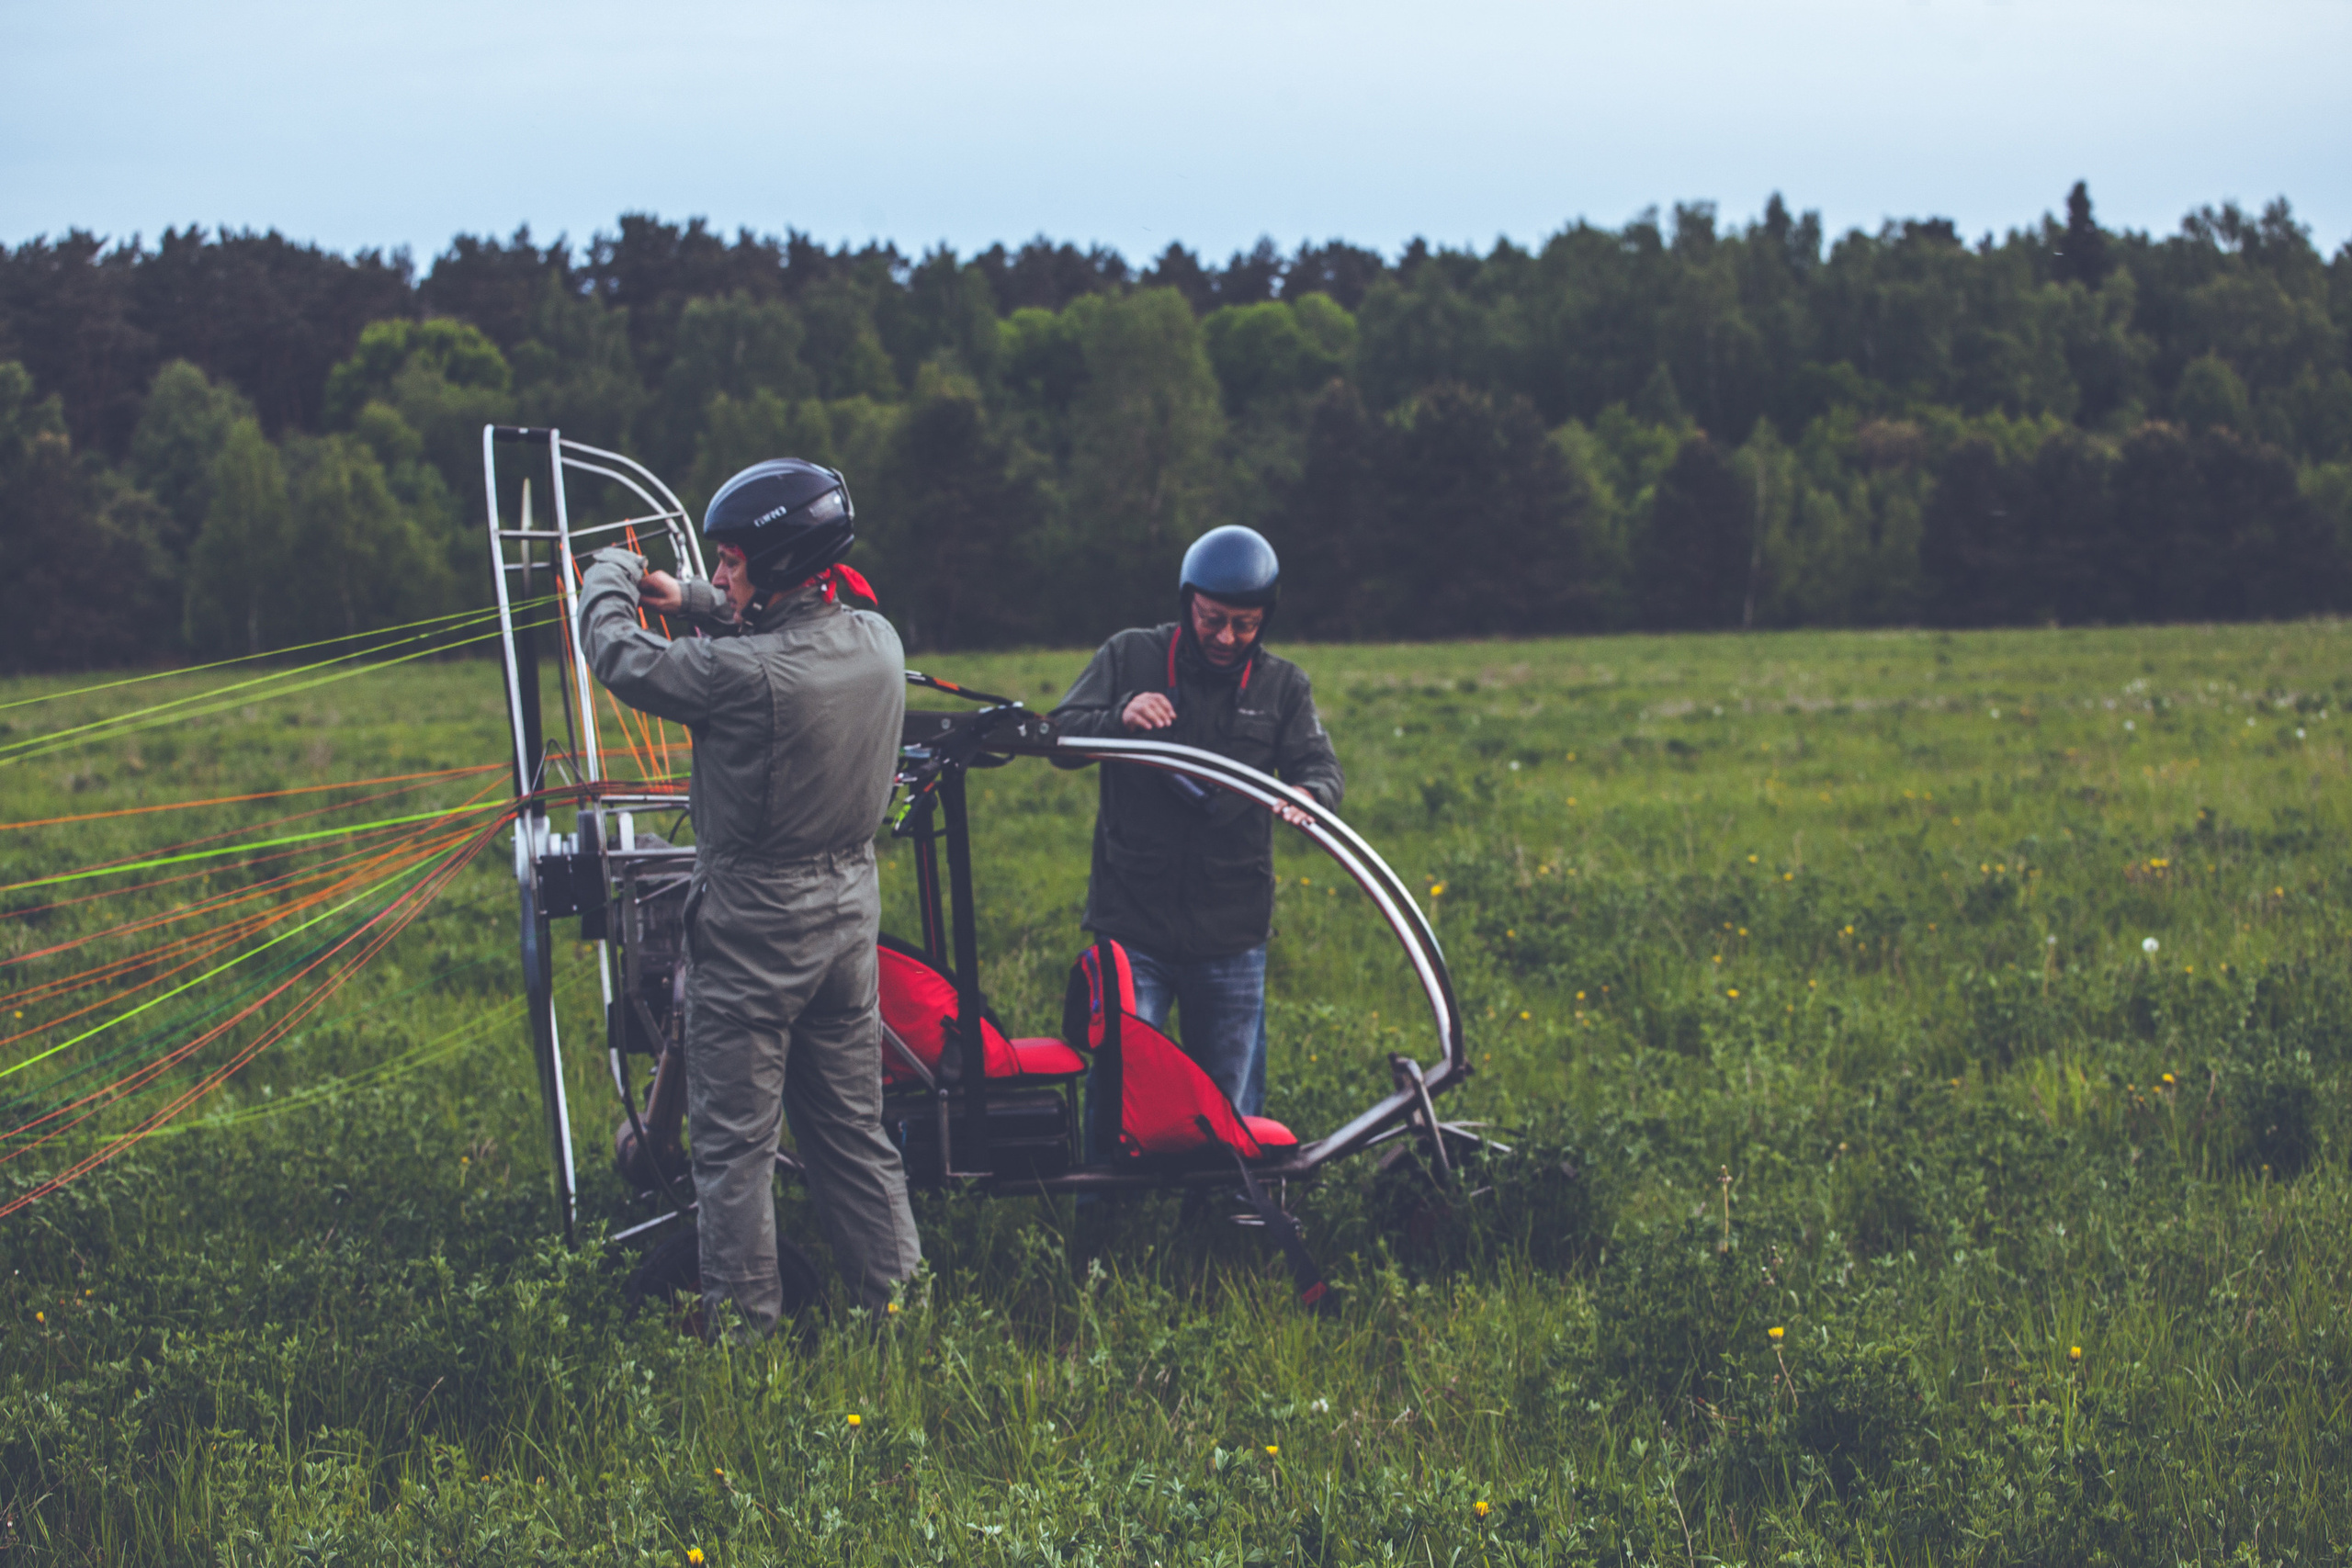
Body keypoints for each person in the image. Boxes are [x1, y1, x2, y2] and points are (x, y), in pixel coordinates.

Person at [577, 458, 919, 1333]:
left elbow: (619, 654)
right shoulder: (878, 641)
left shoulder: (744, 675)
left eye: (731, 562)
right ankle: (902, 1318)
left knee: (734, 1151)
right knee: (853, 1136)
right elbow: (774, 623)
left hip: (756, 927)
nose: (722, 574)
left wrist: (610, 572)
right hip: (848, 918)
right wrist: (690, 595)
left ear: (777, 565)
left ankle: (744, 1342)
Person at [1050, 525, 1343, 1122]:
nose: (1226, 637)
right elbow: (1057, 737)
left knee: (1229, 1101)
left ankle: (1228, 1185)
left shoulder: (1283, 686)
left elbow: (1320, 767)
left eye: (1245, 624)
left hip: (1232, 933)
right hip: (1133, 924)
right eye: (1212, 619)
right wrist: (1119, 717)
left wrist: (1309, 795)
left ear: (1265, 619)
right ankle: (1106, 1184)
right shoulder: (1129, 655)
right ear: (1188, 603)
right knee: (1120, 1088)